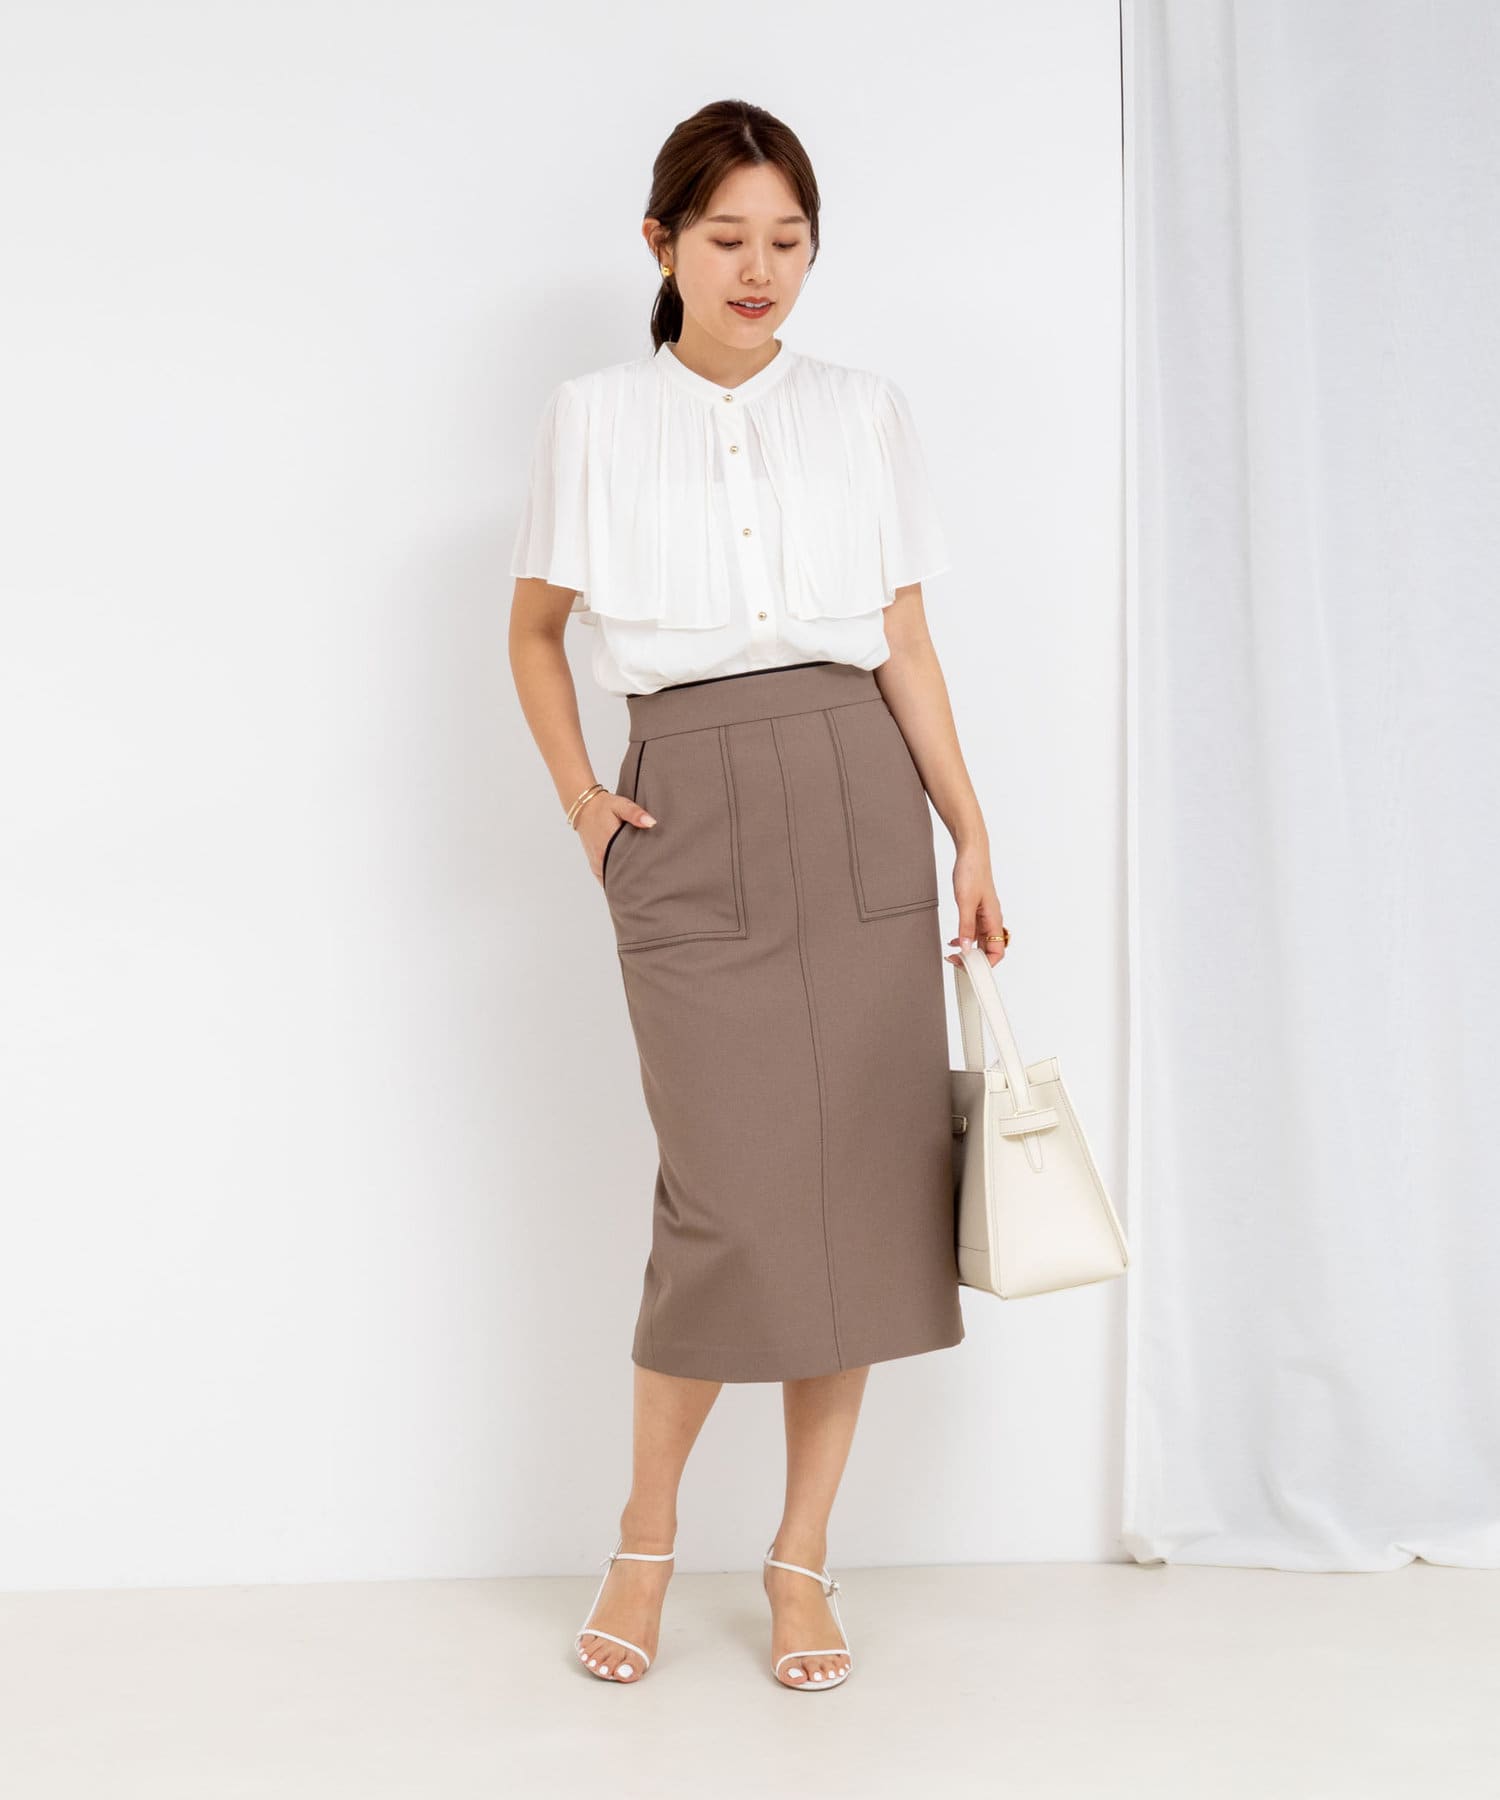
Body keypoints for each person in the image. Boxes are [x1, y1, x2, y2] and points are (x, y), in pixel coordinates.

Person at [507, 99, 1007, 1693]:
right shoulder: (595, 416)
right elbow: (534, 630)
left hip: (860, 791)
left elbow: (905, 641)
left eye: (788, 240)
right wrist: (585, 804)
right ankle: (645, 1541)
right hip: (687, 806)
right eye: (727, 237)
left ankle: (800, 1559)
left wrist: (970, 834)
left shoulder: (863, 409)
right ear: (662, 243)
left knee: (859, 1195)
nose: (759, 268)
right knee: (723, 1204)